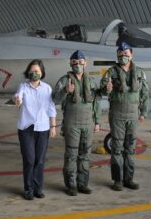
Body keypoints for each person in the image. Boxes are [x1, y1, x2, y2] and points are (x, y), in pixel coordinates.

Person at [100, 42, 149, 191]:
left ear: (131, 55)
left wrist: (143, 113)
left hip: (133, 115)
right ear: (117, 55)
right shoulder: (110, 73)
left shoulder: (140, 73)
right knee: (117, 148)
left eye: (126, 54)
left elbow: (145, 94)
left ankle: (129, 179)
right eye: (120, 54)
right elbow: (102, 92)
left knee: (130, 148)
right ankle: (117, 180)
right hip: (117, 115)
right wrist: (106, 89)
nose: (123, 56)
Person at [52, 50, 101, 196]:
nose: (77, 65)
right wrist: (66, 91)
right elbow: (55, 100)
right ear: (70, 64)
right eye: (74, 63)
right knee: (71, 155)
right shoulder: (64, 80)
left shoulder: (91, 81)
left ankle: (82, 184)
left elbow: (96, 103)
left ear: (85, 63)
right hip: (71, 123)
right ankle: (70, 185)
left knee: (85, 154)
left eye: (80, 62)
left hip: (87, 123)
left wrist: (97, 121)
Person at [13, 59, 57, 200]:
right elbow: (17, 96)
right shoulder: (23, 86)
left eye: (37, 71)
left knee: (40, 160)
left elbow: (51, 109)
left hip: (43, 128)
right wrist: (17, 100)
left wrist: (53, 126)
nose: (34, 73)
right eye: (32, 71)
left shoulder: (47, 88)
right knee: (29, 159)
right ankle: (28, 189)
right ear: (28, 72)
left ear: (42, 72)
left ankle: (38, 189)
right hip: (26, 128)